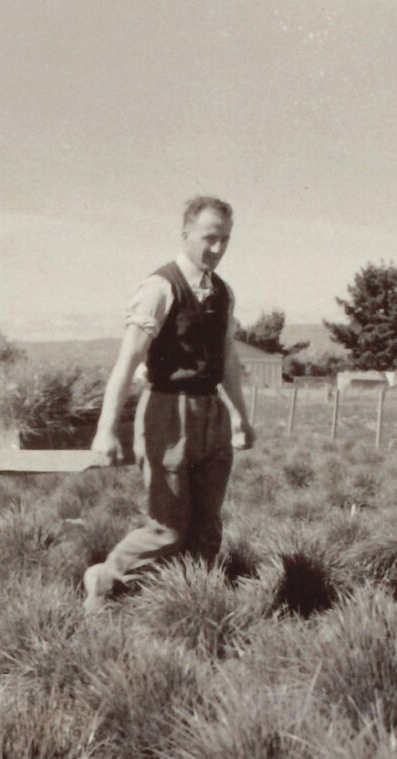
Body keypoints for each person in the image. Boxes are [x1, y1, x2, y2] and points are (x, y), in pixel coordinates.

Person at [84, 196, 256, 611]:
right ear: (185, 235)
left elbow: (227, 358)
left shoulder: (223, 293)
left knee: (206, 528)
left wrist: (241, 416)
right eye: (209, 238)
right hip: (166, 412)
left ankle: (188, 606)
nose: (216, 249)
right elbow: (128, 361)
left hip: (210, 412)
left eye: (225, 240)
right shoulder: (161, 287)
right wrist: (105, 429)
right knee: (167, 528)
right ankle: (104, 581)